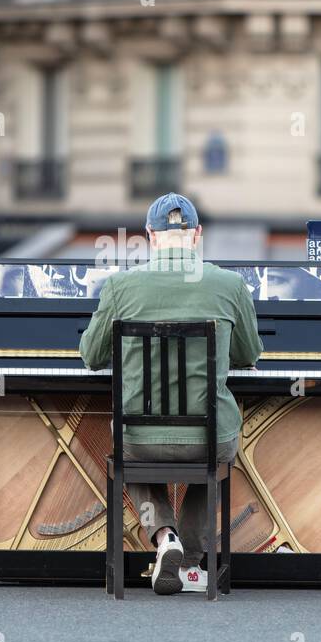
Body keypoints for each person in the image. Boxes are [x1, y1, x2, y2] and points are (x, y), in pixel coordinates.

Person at [79, 193, 263, 595]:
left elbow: (91, 356)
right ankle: (192, 563)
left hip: (140, 441)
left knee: (121, 442)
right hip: (209, 441)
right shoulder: (230, 285)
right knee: (217, 448)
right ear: (197, 235)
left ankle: (166, 538)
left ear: (149, 236)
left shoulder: (120, 286)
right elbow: (249, 354)